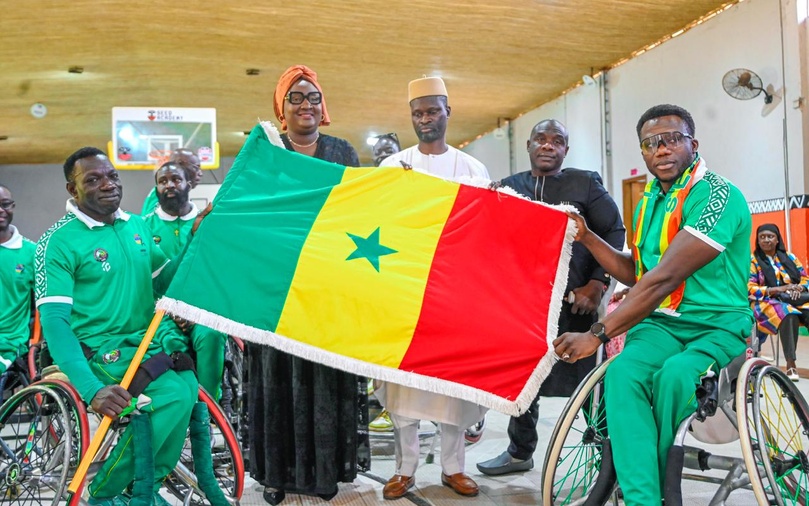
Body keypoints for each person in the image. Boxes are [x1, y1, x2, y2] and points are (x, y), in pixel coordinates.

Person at [553, 104, 752, 505]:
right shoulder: (649, 202)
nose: (661, 149)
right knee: (622, 375)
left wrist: (597, 333)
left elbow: (662, 279)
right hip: (661, 324)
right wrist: (588, 237)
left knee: (675, 376)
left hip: (717, 324)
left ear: (692, 144)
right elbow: (637, 272)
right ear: (642, 152)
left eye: (672, 139)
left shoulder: (717, 196)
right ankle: (644, 498)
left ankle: (660, 485)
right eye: (651, 143)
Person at [36, 147, 200, 506]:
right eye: (93, 179)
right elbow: (56, 325)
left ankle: (144, 487)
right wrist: (92, 389)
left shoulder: (135, 225)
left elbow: (164, 281)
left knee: (188, 388)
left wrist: (195, 239)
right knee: (169, 396)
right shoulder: (57, 242)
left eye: (111, 176)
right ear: (72, 189)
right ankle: (104, 492)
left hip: (145, 341)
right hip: (99, 349)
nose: (107, 184)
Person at [247, 64, 369, 506]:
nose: (305, 105)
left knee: (324, 379)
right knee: (274, 380)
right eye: (295, 97)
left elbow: (357, 214)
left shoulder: (343, 152)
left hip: (326, 287)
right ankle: (275, 474)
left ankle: (324, 472)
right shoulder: (264, 149)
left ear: (324, 106)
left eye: (313, 97)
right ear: (281, 107)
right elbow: (249, 214)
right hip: (276, 287)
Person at [477, 119, 625, 476]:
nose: (548, 146)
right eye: (541, 140)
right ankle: (519, 452)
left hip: (577, 304)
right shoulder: (511, 187)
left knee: (590, 385)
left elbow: (612, 230)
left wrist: (597, 283)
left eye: (556, 141)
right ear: (528, 145)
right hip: (525, 307)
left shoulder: (585, 183)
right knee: (524, 383)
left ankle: (608, 460)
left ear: (566, 150)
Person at [376, 76, 488, 500]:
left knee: (450, 386)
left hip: (455, 293)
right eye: (417, 113)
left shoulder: (472, 168)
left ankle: (453, 468)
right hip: (407, 289)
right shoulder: (393, 167)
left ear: (447, 113)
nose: (425, 119)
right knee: (406, 384)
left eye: (432, 111)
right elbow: (382, 226)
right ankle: (405, 469)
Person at [143, 161, 228, 397]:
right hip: (161, 313)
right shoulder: (144, 227)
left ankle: (208, 410)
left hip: (202, 309)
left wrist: (196, 310)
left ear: (189, 185)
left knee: (211, 336)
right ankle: (182, 406)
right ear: (156, 189)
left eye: (176, 179)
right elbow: (146, 280)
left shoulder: (207, 223)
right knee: (172, 346)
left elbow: (216, 271)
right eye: (163, 181)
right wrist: (170, 311)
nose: (169, 185)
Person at [749, 223, 809, 380]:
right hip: (765, 302)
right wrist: (777, 290)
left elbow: (805, 278)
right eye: (762, 237)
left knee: (806, 311)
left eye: (770, 236)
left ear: (777, 240)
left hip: (793, 299)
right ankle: (791, 365)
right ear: (757, 240)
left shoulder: (789, 257)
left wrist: (798, 289)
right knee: (789, 314)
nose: (766, 240)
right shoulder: (753, 261)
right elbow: (750, 288)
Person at [0, 185, 35, 375]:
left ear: (13, 207)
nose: (1, 210)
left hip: (9, 342)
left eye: (5, 204)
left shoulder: (31, 252)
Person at [141, 148, 204, 214]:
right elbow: (150, 223)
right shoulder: (161, 194)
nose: (200, 173)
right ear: (180, 165)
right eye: (196, 167)